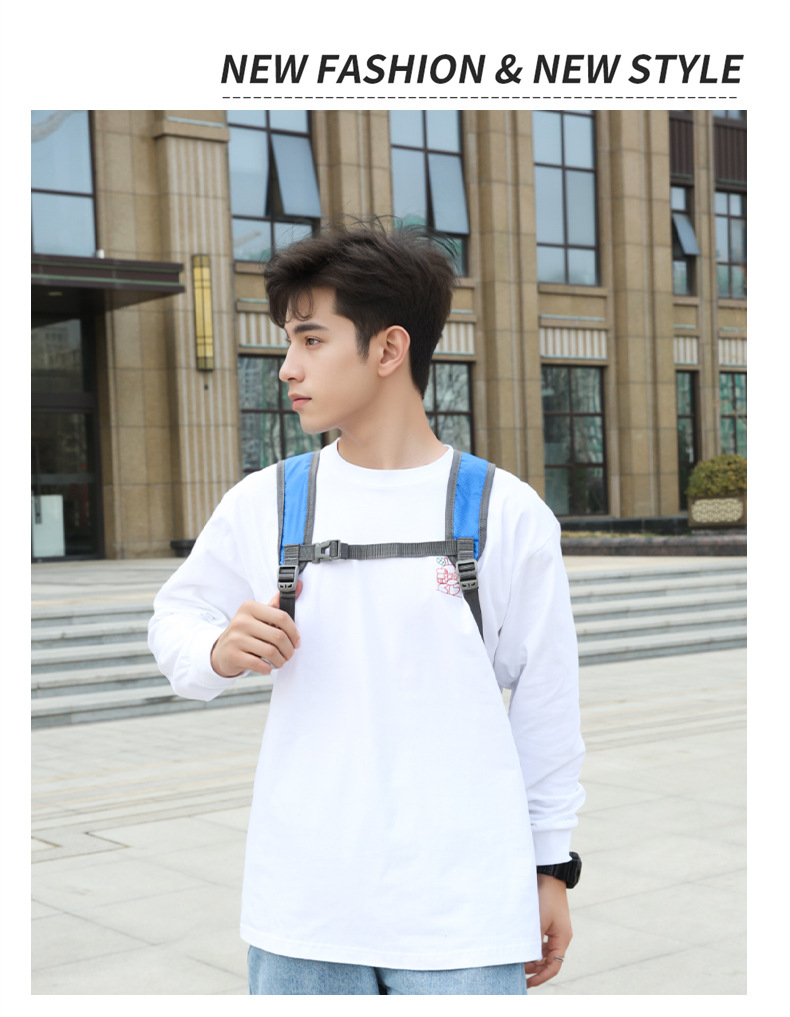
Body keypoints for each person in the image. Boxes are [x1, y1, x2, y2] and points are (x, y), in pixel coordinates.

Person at [148, 220, 585, 996]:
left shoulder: (505, 511)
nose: (288, 367)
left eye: (311, 340)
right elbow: (175, 619)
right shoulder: (268, 500)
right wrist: (217, 647)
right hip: (306, 906)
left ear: (388, 349)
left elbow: (546, 702)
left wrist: (551, 864)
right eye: (289, 342)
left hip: (462, 907)